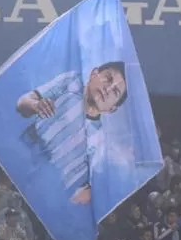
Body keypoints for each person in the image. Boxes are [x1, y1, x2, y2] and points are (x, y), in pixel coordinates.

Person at [17, 62, 129, 204]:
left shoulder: (98, 141)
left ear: (111, 109)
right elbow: (22, 103)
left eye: (115, 92)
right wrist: (36, 105)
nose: (108, 89)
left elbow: (80, 191)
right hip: (19, 157)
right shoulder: (71, 82)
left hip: (42, 192)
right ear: (94, 73)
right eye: (108, 78)